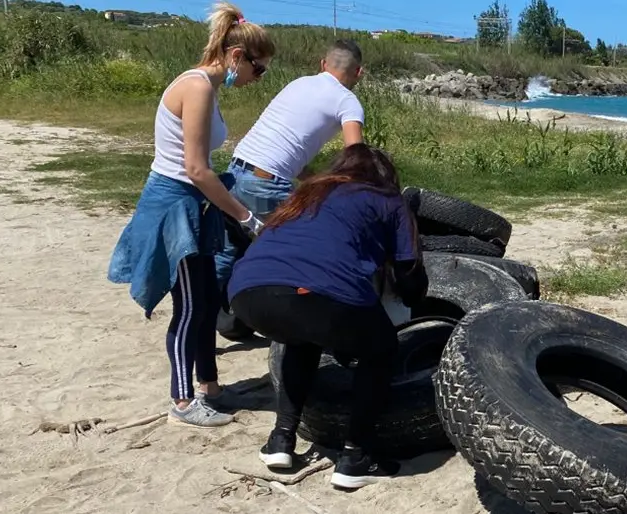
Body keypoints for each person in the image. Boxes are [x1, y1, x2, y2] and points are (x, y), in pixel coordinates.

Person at [106, 2, 274, 428]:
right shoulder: (196, 87)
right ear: (237, 56)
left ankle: (210, 388)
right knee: (189, 307)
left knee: (204, 300)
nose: (257, 78)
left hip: (195, 204)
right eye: (258, 69)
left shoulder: (208, 88)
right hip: (175, 205)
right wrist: (245, 217)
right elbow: (197, 170)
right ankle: (181, 401)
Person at [228, 144, 428, 490]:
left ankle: (281, 440)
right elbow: (409, 272)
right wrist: (414, 297)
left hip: (247, 292)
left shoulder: (307, 193)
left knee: (301, 338)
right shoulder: (388, 200)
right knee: (381, 347)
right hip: (316, 291)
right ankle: (356, 456)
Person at [213, 38, 367, 288]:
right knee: (311, 245)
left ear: (323, 64)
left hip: (235, 172)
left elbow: (284, 147)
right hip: (266, 185)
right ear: (358, 72)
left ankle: (208, 307)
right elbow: (356, 156)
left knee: (227, 254)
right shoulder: (347, 101)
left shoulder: (299, 83)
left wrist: (317, 179)